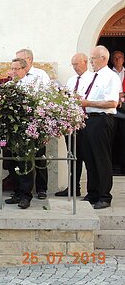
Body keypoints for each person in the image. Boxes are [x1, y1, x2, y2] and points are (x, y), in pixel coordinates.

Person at [81, 45, 121, 209]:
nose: (90, 61)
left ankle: (105, 196)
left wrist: (88, 103)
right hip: (88, 119)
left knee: (101, 158)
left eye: (93, 58)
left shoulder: (111, 77)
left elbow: (112, 102)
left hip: (102, 119)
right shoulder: (93, 77)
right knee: (89, 158)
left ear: (103, 59)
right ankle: (93, 193)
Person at [55, 53, 94, 197]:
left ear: (85, 62)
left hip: (87, 121)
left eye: (77, 64)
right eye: (73, 65)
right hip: (71, 123)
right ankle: (73, 187)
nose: (75, 67)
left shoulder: (92, 78)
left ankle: (92, 190)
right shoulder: (71, 80)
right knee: (72, 155)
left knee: (88, 156)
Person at [16, 48, 50, 199]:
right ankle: (22, 191)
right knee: (23, 157)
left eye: (21, 60)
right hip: (22, 123)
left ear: (29, 59)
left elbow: (47, 95)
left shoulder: (40, 75)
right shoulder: (17, 77)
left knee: (40, 155)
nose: (18, 63)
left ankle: (42, 189)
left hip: (37, 121)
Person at [4, 58, 38, 209]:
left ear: (24, 69)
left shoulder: (31, 85)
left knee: (24, 163)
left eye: (16, 69)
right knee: (12, 164)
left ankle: (25, 195)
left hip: (25, 129)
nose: (13, 72)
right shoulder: (9, 85)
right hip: (11, 130)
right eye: (12, 69)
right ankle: (16, 192)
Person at [111, 51, 125, 175]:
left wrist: (122, 95)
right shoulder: (109, 74)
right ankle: (111, 167)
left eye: (119, 58)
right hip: (112, 110)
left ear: (123, 59)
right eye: (115, 58)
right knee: (112, 138)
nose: (117, 60)